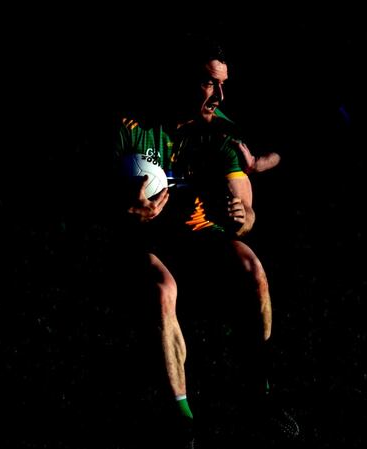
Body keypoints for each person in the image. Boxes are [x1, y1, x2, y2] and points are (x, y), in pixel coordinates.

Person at [110, 38, 298, 447]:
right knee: (163, 290)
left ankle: (261, 394)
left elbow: (247, 214)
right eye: (210, 84)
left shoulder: (221, 132)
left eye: (224, 85)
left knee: (251, 267)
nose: (220, 95)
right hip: (146, 240)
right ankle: (181, 418)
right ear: (184, 81)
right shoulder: (131, 126)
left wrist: (242, 217)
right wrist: (126, 215)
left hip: (197, 234)